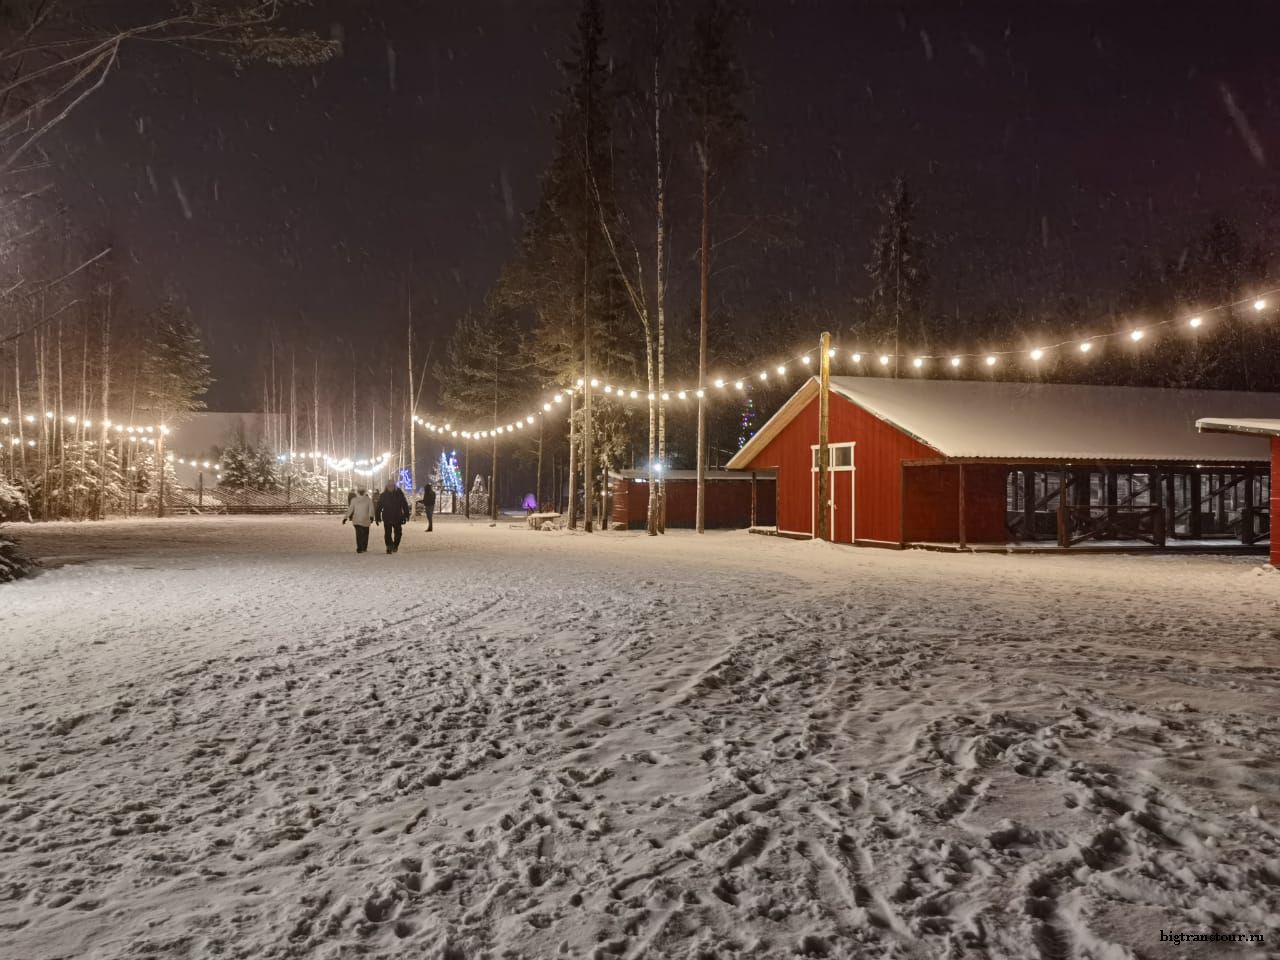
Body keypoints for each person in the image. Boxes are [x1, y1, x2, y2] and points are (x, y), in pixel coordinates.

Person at [376, 479, 410, 554]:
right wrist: (377, 516)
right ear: (386, 486)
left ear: (394, 486)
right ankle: (389, 546)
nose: (390, 487)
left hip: (397, 516)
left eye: (392, 485)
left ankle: (395, 545)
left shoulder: (399, 494)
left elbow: (404, 505)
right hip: (387, 517)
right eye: (389, 485)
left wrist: (406, 514)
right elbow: (379, 507)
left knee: (398, 533)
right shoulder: (383, 495)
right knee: (388, 533)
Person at [343, 486, 374, 554]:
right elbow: (371, 509)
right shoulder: (368, 500)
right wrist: (371, 517)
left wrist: (345, 517)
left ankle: (360, 547)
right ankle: (363, 547)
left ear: (358, 492)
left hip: (356, 520)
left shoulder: (354, 500)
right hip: (365, 519)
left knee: (359, 534)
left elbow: (350, 509)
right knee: (365, 534)